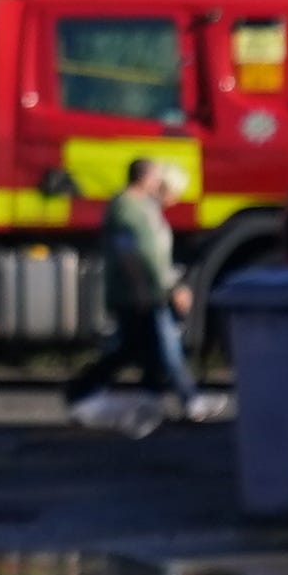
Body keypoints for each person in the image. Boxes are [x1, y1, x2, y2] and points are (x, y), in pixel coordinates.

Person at [71, 160, 196, 423]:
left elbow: (154, 253)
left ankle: (154, 398)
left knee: (144, 346)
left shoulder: (143, 207)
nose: (159, 182)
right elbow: (134, 255)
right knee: (143, 346)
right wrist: (146, 289)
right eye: (157, 177)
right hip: (137, 293)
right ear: (145, 178)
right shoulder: (127, 207)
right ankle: (82, 390)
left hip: (148, 291)